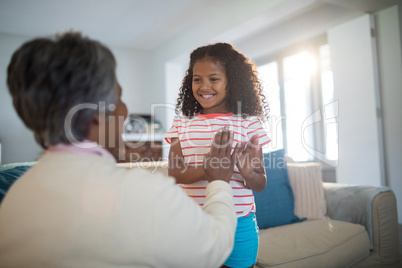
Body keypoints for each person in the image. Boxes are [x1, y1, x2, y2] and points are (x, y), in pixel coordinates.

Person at [0, 32, 239, 268]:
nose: (125, 111)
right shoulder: (143, 193)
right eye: (120, 97)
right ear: (96, 115)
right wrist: (218, 181)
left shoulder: (13, 199)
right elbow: (215, 248)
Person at [166, 43, 271, 268]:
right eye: (197, 79)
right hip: (193, 221)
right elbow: (174, 173)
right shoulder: (181, 123)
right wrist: (208, 169)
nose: (204, 86)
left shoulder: (248, 123)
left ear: (231, 81)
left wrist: (248, 173)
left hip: (239, 223)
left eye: (214, 79)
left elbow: (260, 184)